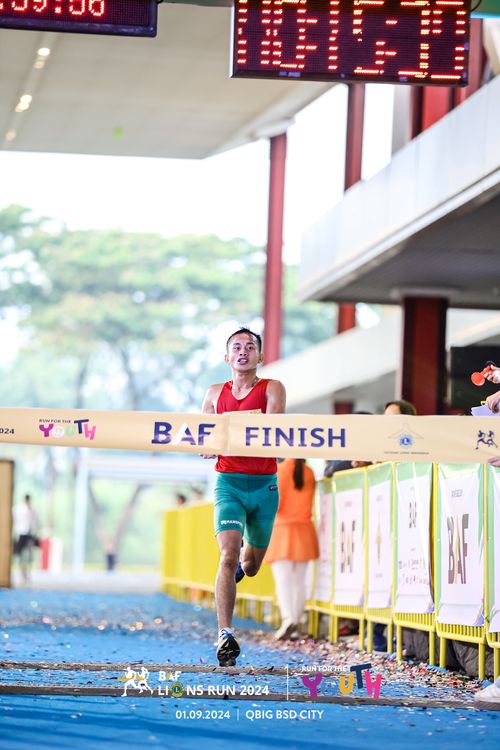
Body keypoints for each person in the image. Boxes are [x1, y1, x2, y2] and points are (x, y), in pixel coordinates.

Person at [202, 327, 286, 666]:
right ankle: (224, 633)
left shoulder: (272, 388)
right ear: (227, 357)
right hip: (229, 484)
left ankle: (241, 564)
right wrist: (208, 447)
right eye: (236, 347)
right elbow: (205, 437)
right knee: (227, 554)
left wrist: (232, 434)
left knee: (250, 567)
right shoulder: (213, 393)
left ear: (260, 356)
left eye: (250, 347)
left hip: (265, 487)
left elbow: (272, 431)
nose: (243, 352)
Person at [264, 458, 319, 640]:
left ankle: (288, 619)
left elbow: (276, 504)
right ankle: (295, 622)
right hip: (304, 532)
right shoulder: (309, 472)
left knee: (283, 580)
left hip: (283, 531)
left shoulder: (280, 470)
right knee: (299, 581)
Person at [13, 494, 40, 584]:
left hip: (30, 534)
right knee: (21, 556)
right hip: (21, 534)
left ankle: (27, 574)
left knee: (28, 555)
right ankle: (22, 574)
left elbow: (36, 522)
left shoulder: (33, 510)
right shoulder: (19, 509)